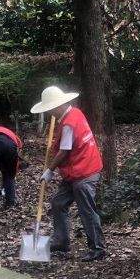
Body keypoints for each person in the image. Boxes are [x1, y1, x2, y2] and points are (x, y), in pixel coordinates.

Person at [30, 86, 106, 262]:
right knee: (58, 203)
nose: (49, 113)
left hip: (85, 171)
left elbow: (64, 151)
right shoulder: (74, 113)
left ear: (57, 106)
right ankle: (62, 241)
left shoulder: (69, 123)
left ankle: (97, 248)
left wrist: (49, 170)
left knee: (86, 210)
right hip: (74, 171)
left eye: (50, 109)